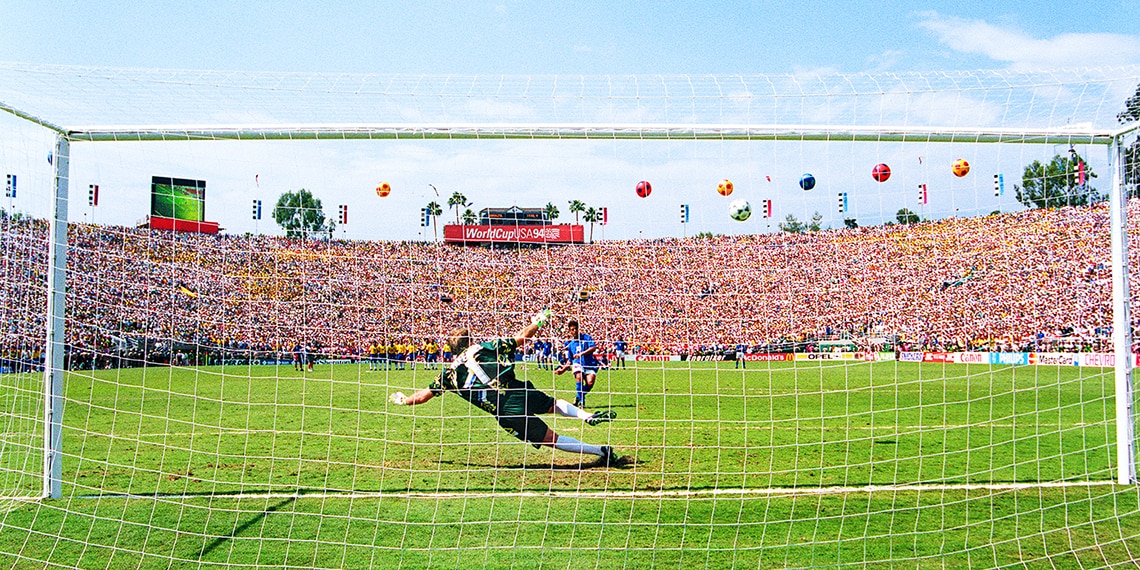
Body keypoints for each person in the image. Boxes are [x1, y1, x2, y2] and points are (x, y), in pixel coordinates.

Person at [388, 310, 621, 466]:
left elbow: (423, 397)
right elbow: (521, 338)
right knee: (554, 404)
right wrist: (538, 321)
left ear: (451, 349)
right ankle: (586, 415)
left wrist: (404, 399)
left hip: (504, 411)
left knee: (552, 438)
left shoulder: (448, 374)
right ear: (470, 341)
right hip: (516, 389)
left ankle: (600, 451)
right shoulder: (482, 347)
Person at [555, 319, 600, 407]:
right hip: (577, 364)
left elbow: (593, 347)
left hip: (589, 363)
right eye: (572, 329)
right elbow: (570, 360)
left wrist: (581, 354)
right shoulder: (571, 344)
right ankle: (582, 402)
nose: (574, 331)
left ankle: (578, 397)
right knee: (579, 376)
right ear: (569, 331)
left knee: (590, 382)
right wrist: (563, 370)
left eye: (576, 329)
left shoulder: (586, 338)